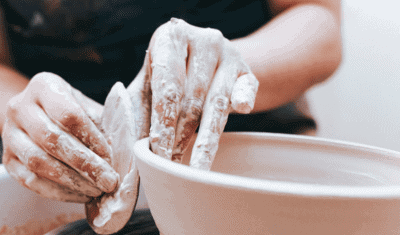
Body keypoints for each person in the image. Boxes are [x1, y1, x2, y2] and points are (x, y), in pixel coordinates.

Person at [0, 0, 342, 202]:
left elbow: (317, 21)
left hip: (249, 151)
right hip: (74, 169)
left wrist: (225, 67)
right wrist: (25, 113)